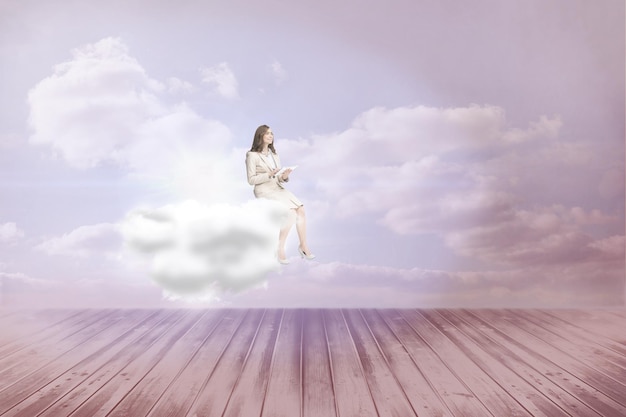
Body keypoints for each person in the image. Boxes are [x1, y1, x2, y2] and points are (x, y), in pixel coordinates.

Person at [245, 124, 315, 264]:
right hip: (264, 190)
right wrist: (269, 174)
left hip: (277, 188)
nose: (271, 136)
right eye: (267, 133)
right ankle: (279, 247)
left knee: (300, 209)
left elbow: (278, 179)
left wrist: (284, 176)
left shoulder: (274, 155)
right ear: (260, 136)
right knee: (290, 213)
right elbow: (251, 180)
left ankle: (303, 245)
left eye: (272, 133)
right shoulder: (252, 155)